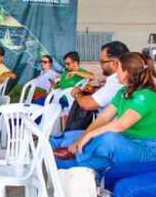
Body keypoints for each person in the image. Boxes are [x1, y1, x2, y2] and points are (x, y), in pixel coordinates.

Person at [56, 52, 156, 180]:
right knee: (84, 165)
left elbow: (121, 124)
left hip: (147, 151)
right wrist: (81, 137)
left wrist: (88, 136)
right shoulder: (122, 92)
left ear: (127, 72)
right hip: (126, 145)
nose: (116, 74)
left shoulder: (146, 95)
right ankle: (82, 192)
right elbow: (103, 118)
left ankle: (72, 153)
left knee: (109, 137)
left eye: (118, 69)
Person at [51, 41, 130, 168]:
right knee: (58, 139)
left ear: (114, 63)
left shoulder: (119, 83)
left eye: (102, 62)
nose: (101, 66)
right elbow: (104, 117)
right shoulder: (119, 87)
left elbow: (90, 106)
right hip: (109, 131)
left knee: (65, 144)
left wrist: (77, 93)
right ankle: (62, 180)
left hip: (118, 137)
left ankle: (69, 179)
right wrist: (85, 136)